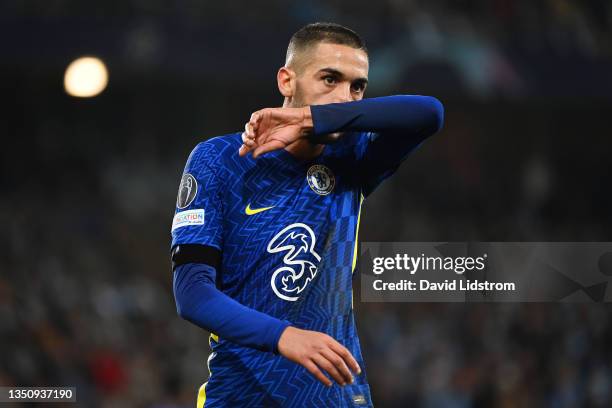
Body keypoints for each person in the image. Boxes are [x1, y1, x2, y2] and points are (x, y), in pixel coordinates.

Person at [171, 22, 444, 407]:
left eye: (357, 86)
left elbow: (430, 113)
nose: (345, 97)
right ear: (287, 81)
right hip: (239, 397)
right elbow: (193, 295)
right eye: (329, 79)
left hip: (335, 399)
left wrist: (308, 119)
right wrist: (285, 337)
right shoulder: (219, 161)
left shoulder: (355, 158)